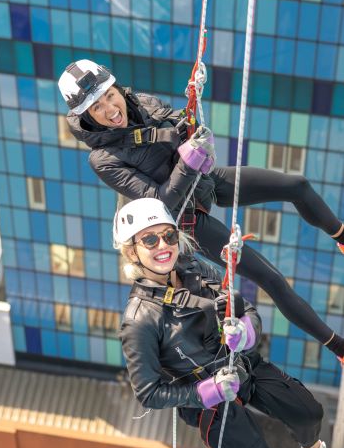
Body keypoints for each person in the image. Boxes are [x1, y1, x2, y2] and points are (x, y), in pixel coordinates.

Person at [58, 59, 344, 360]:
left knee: (295, 185)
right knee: (271, 279)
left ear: (117, 89)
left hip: (203, 181)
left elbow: (179, 127)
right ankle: (338, 346)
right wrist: (189, 161)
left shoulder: (143, 102)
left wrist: (191, 132)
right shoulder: (102, 158)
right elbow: (160, 201)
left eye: (109, 96)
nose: (110, 109)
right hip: (185, 217)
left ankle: (341, 235)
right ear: (86, 116)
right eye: (97, 108)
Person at [113, 197, 344, 448]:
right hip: (209, 402)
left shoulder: (194, 268)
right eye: (150, 239)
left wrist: (246, 332)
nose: (163, 245)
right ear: (132, 251)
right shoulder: (140, 319)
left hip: (240, 364)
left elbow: (245, 308)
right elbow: (148, 393)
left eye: (169, 235)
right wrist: (205, 392)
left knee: (308, 411)